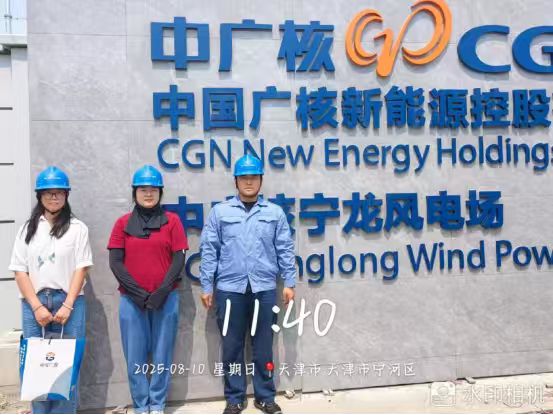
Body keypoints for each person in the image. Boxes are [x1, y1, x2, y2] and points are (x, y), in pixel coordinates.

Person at [199, 155, 296, 414]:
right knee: (232, 346)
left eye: (254, 177)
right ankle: (234, 398)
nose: (249, 182)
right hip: (230, 289)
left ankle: (265, 396)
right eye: (244, 177)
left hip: (264, 288)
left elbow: (285, 248)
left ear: (261, 180)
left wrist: (289, 281)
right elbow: (209, 250)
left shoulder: (274, 213)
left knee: (264, 346)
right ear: (236, 181)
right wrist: (207, 285)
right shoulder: (220, 212)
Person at [9, 166, 93, 414]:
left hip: (70, 302)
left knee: (67, 368)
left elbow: (81, 268)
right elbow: (19, 271)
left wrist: (67, 304)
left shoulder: (78, 228)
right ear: (40, 196)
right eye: (48, 193)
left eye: (59, 193)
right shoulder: (27, 229)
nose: (53, 197)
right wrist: (36, 307)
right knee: (36, 368)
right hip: (34, 302)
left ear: (66, 195)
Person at [107, 165, 188, 414]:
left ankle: (158, 404)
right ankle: (141, 405)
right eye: (143, 189)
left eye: (153, 189)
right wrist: (138, 294)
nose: (148, 193)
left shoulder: (172, 221)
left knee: (163, 354)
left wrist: (162, 291)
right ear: (135, 192)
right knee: (135, 356)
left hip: (166, 299)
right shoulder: (122, 223)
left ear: (160, 192)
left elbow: (179, 259)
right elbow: (115, 262)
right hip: (131, 301)